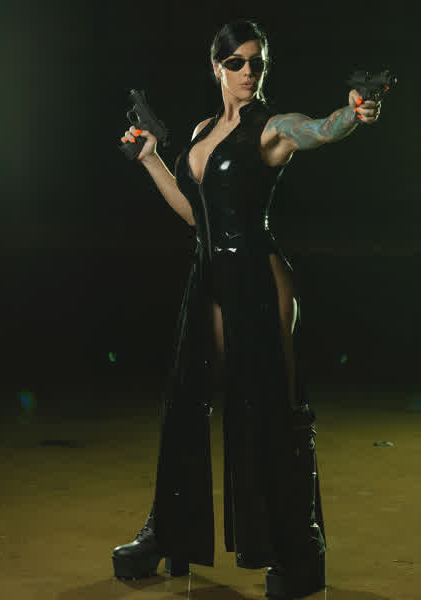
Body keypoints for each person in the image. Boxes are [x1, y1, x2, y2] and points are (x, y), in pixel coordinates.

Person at [112, 19, 381, 598]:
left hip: (258, 277)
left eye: (257, 62)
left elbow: (318, 130)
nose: (248, 71)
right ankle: (168, 532)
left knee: (270, 409)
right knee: (184, 403)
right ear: (217, 67)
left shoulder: (272, 127)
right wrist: (152, 159)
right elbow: (195, 215)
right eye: (236, 62)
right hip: (208, 275)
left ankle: (302, 550)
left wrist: (353, 112)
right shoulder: (203, 131)